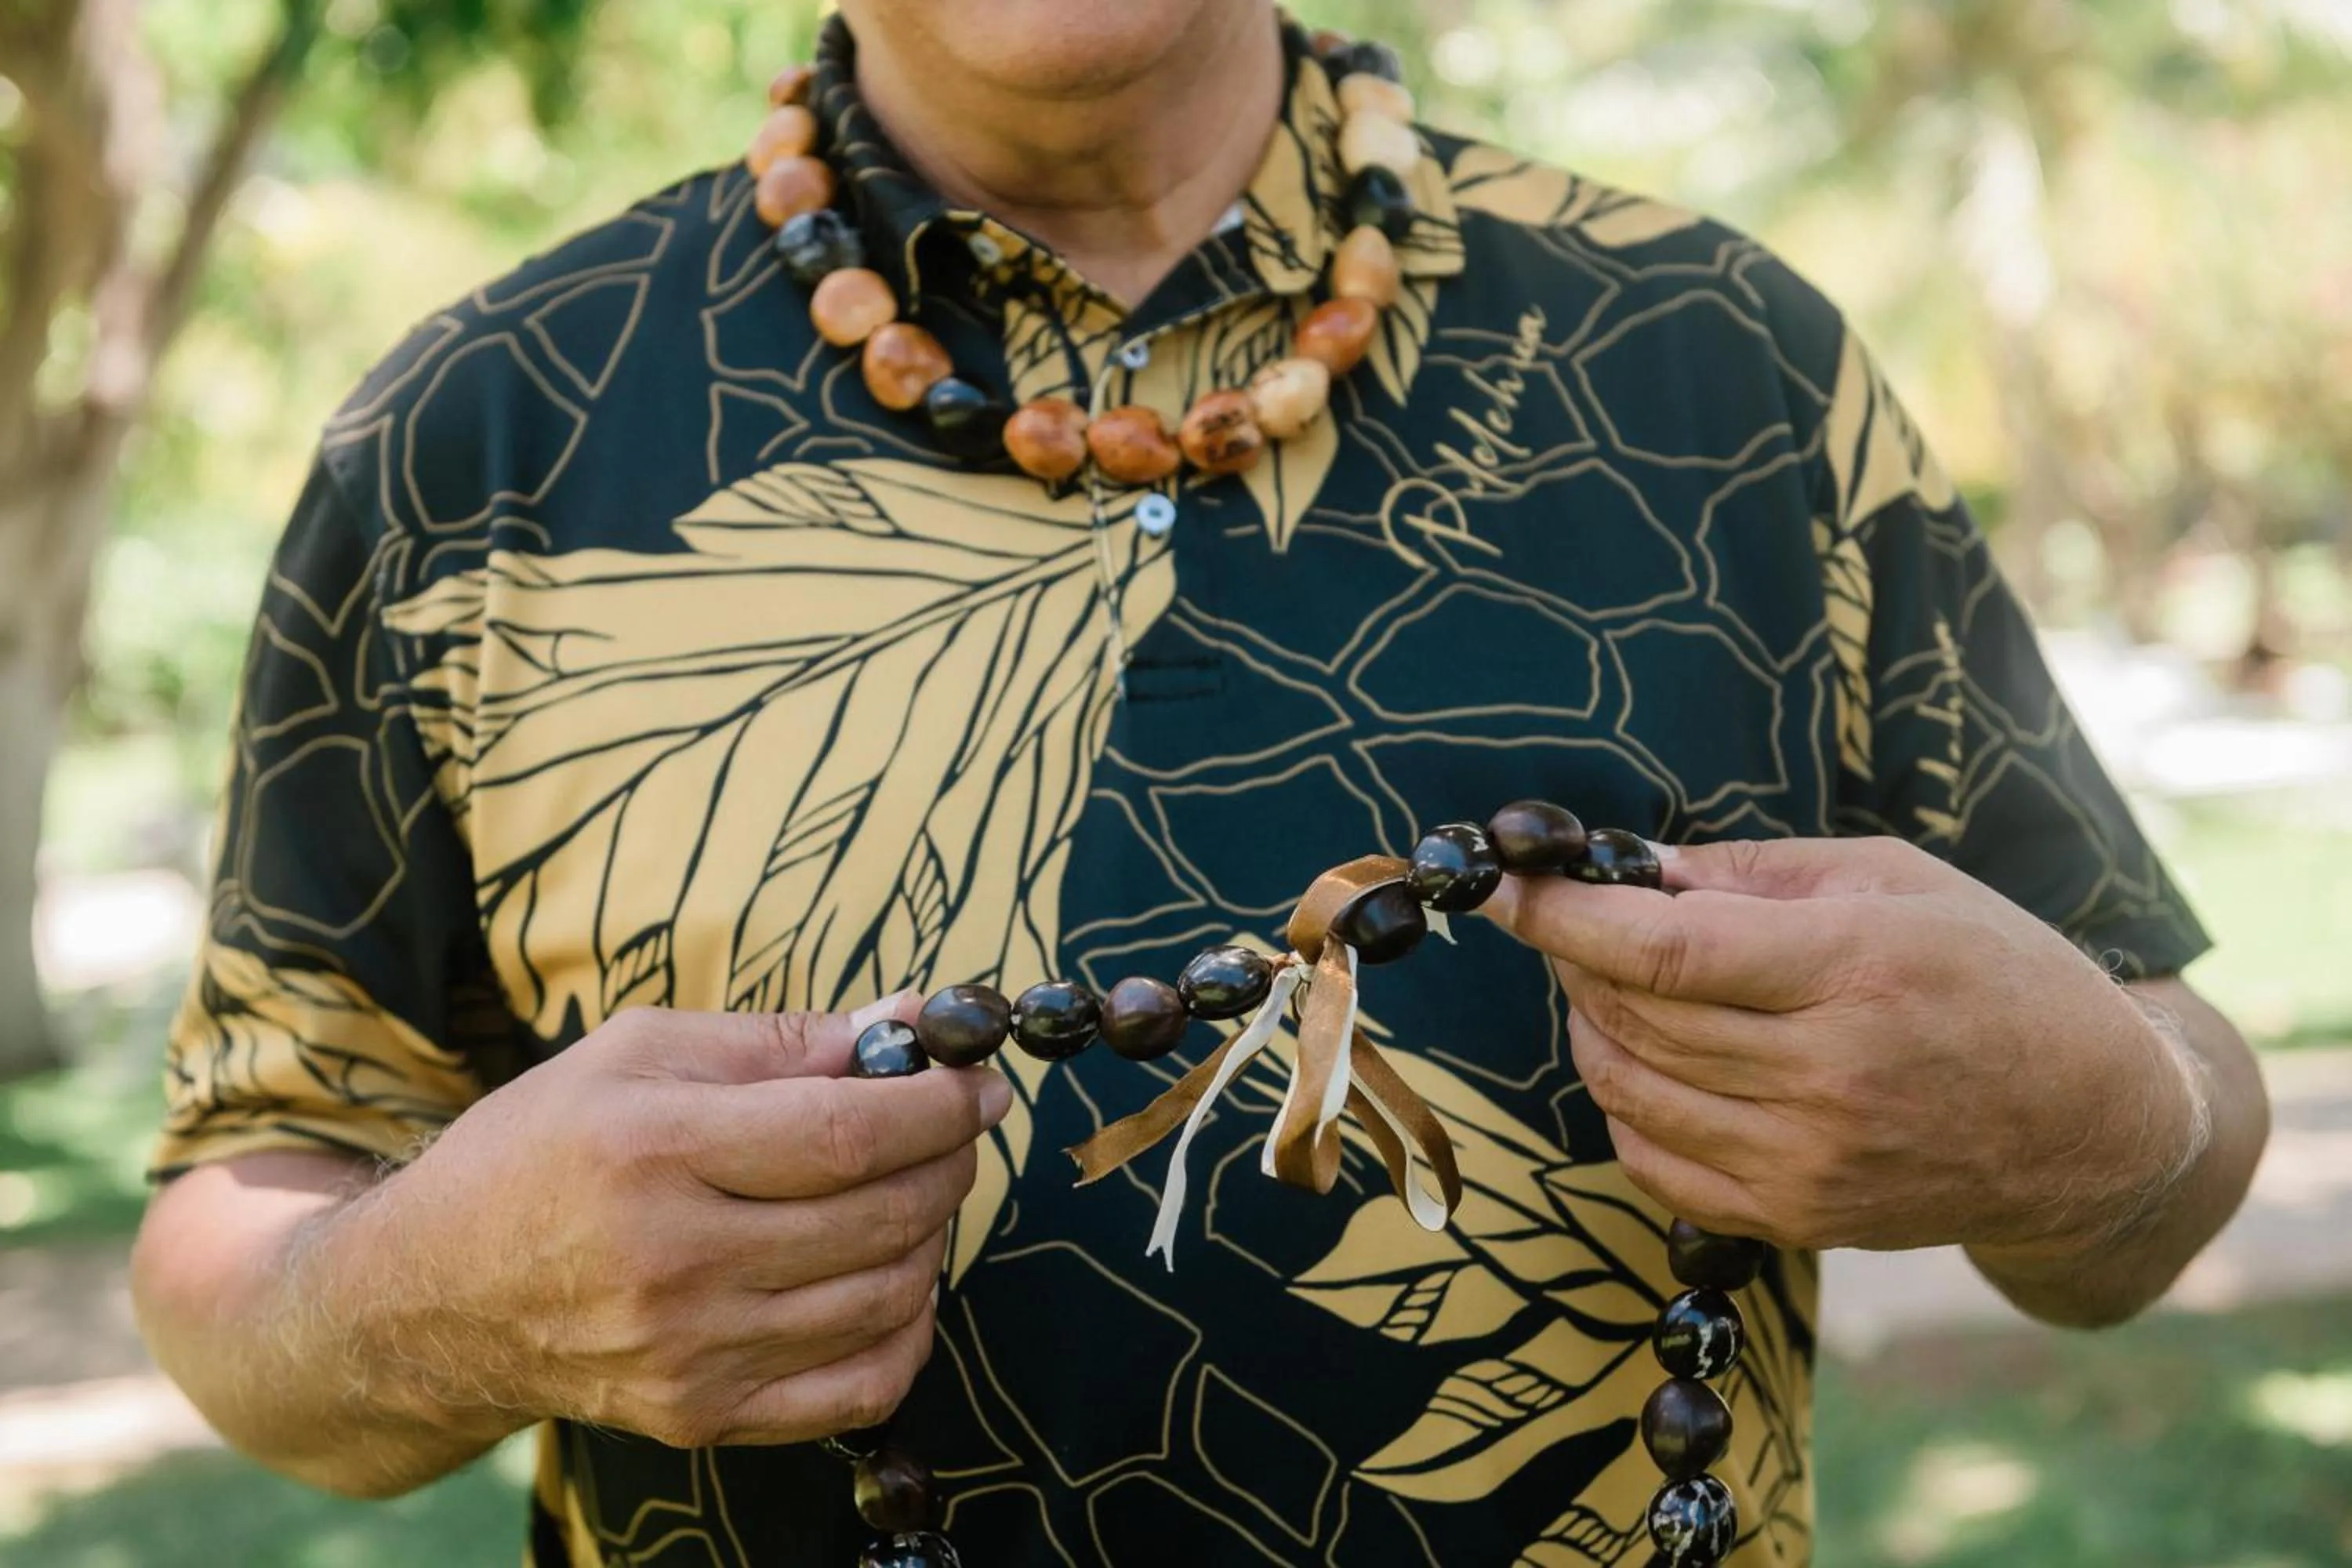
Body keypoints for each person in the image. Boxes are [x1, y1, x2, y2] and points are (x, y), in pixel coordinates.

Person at [129, 2, 2268, 1565]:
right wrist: (433, 1296)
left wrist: (2092, 1125)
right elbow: (248, 1228)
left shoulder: (1725, 367)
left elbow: (2170, 1125)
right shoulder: (479, 438)